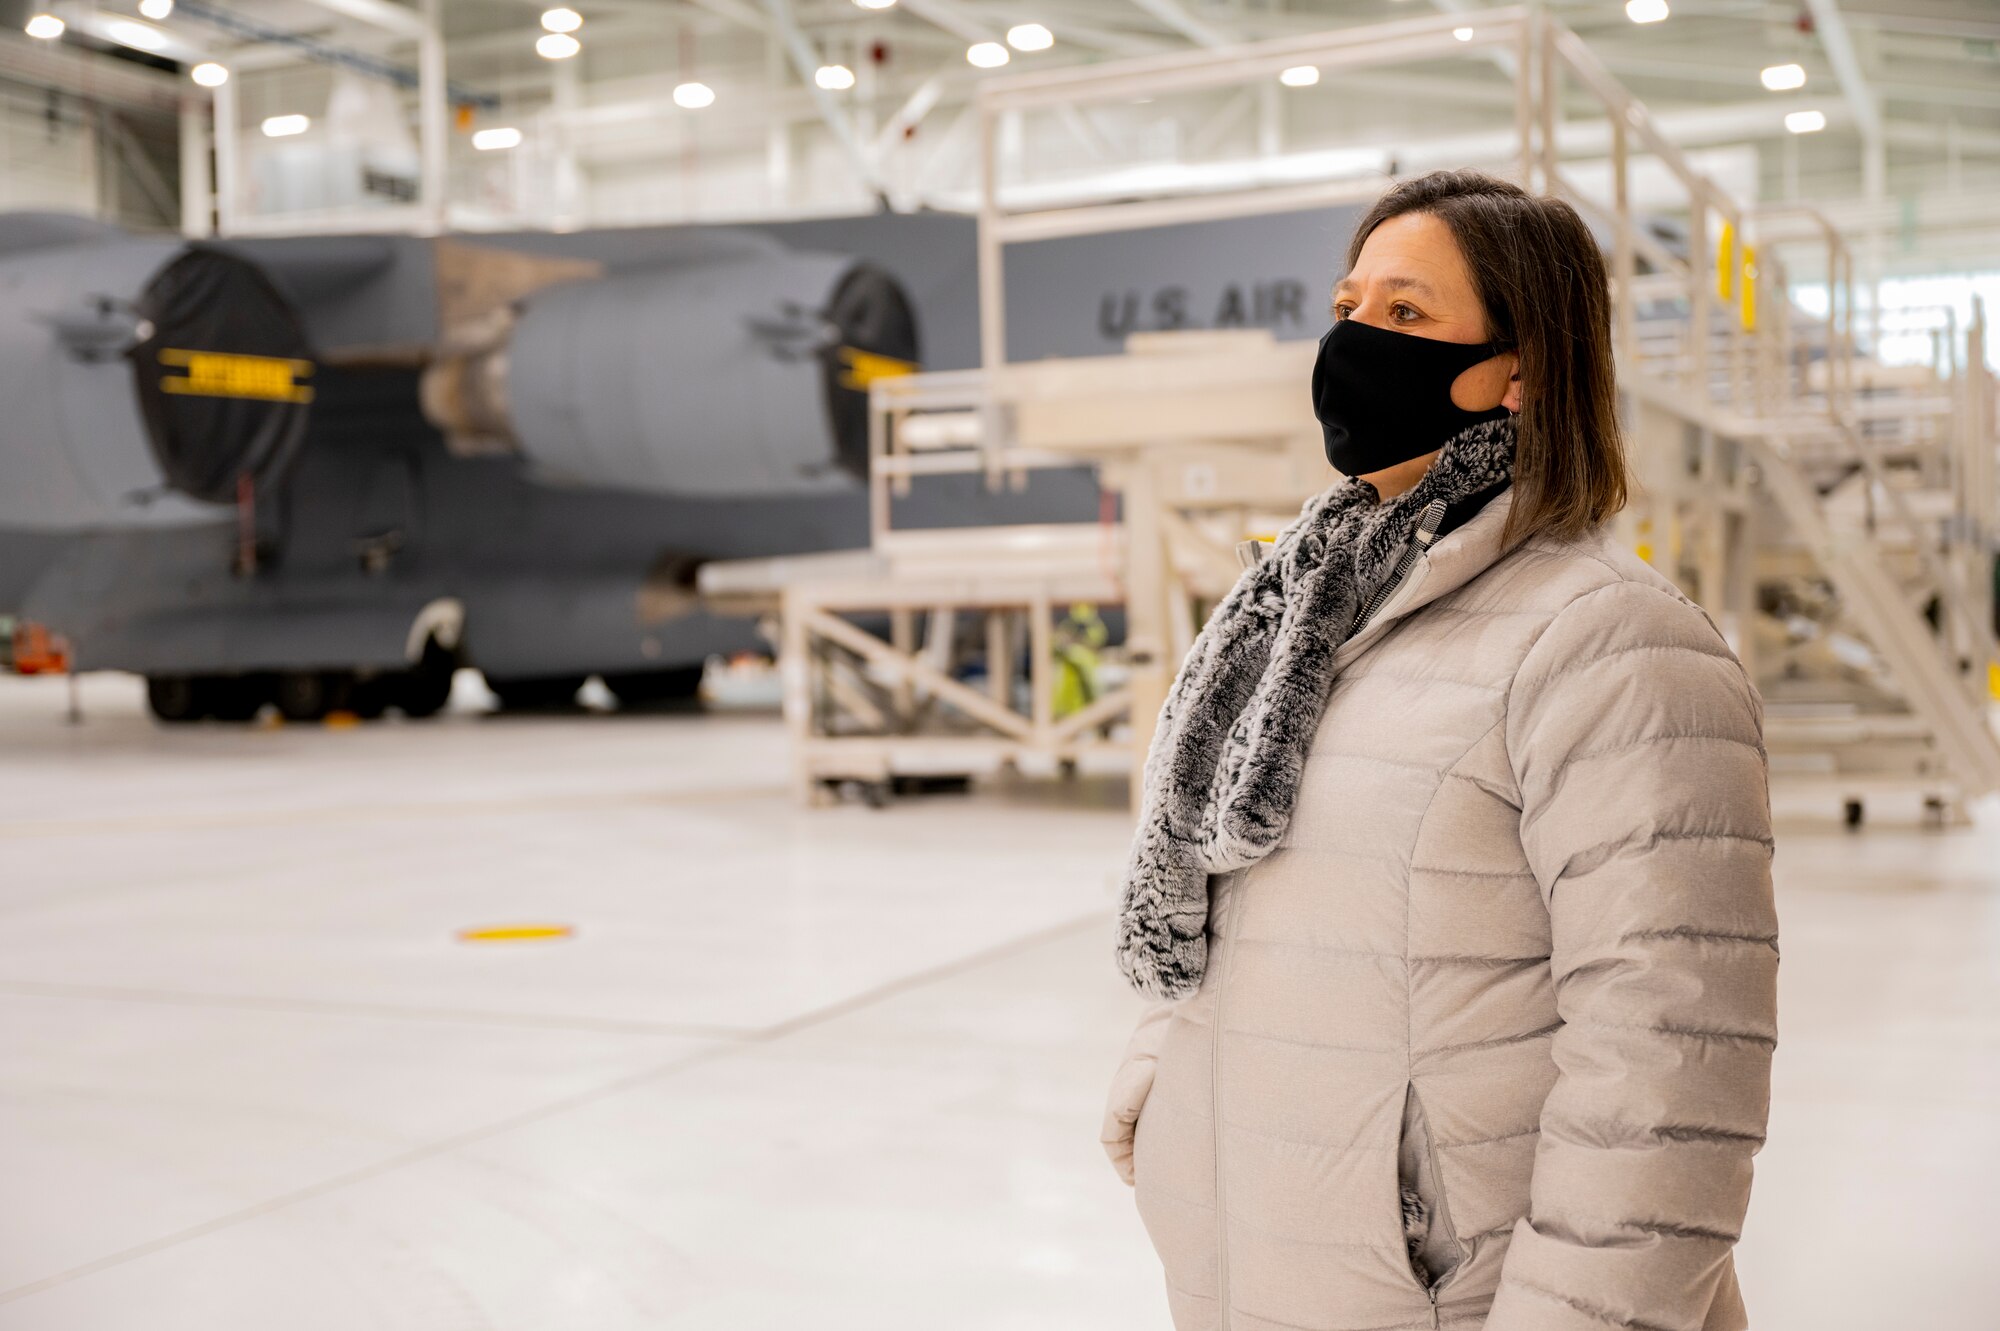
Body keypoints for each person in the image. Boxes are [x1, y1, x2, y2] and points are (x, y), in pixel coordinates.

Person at [1100, 169, 1778, 1331]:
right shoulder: (1301, 613)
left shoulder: (1610, 642)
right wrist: (1167, 1079)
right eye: (1347, 304)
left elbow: (1667, 1051)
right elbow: (1234, 887)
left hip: (1450, 1292)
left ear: (1518, 369)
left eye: (1406, 314)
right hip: (1261, 1247)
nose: (1354, 340)